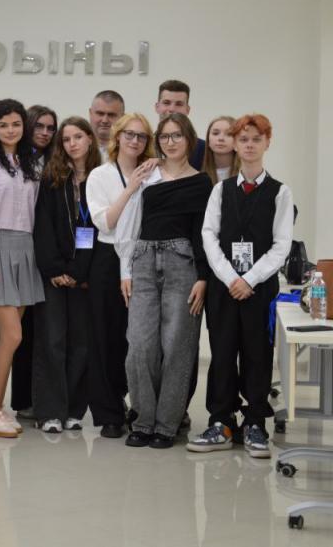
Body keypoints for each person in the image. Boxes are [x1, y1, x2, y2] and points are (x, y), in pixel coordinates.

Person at [189, 114, 293, 459]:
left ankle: (255, 424)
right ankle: (221, 422)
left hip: (258, 289)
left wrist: (249, 279)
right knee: (222, 353)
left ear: (267, 143)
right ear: (235, 144)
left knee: (257, 354)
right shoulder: (220, 190)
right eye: (243, 139)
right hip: (224, 286)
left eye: (256, 139)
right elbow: (208, 235)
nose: (249, 145)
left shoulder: (280, 192)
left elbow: (281, 245)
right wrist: (230, 276)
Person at [115, 112, 211, 449]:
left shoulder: (202, 183)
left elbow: (202, 233)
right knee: (140, 345)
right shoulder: (148, 174)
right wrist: (126, 269)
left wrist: (203, 277)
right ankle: (143, 419)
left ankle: (167, 424)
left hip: (182, 263)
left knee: (176, 346)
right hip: (143, 259)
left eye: (177, 136)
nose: (170, 142)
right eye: (165, 136)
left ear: (189, 139)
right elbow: (130, 224)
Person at [0, 98, 43, 438]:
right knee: (13, 334)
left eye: (16, 124)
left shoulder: (33, 162)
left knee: (7, 338)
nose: (10, 130)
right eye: (3, 125)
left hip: (26, 250)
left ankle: (1, 406)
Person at [85, 113, 156, 439]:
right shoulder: (100, 175)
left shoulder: (155, 173)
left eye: (141, 136)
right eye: (129, 134)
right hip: (107, 258)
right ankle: (109, 413)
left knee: (137, 339)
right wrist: (130, 188)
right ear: (117, 136)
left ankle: (137, 404)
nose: (135, 141)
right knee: (104, 336)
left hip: (142, 257)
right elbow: (106, 222)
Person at [32, 117, 101, 433]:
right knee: (52, 340)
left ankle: (74, 409)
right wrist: (55, 269)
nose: (72, 144)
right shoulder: (52, 178)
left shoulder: (102, 178)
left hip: (86, 275)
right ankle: (49, 411)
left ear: (90, 139)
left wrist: (79, 272)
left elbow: (101, 229)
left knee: (81, 344)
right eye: (66, 139)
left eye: (78, 137)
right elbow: (42, 225)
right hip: (54, 274)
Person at [11, 103, 57, 420]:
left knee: (46, 330)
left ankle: (46, 399)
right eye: (39, 126)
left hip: (48, 251)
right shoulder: (13, 160)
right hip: (20, 249)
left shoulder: (55, 161)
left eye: (50, 128)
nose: (44, 133)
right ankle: (22, 400)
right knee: (20, 330)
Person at [155, 80, 205, 170]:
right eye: (166, 103)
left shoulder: (203, 149)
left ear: (187, 110)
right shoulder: (143, 145)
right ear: (157, 107)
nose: (172, 109)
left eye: (179, 104)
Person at [201, 116, 239, 185]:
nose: (221, 138)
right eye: (215, 133)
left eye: (229, 134)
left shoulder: (246, 175)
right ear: (208, 139)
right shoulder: (199, 175)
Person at [88, 90, 125, 162]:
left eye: (111, 115)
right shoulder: (75, 148)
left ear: (123, 117)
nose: (105, 120)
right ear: (90, 113)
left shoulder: (132, 151)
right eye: (100, 113)